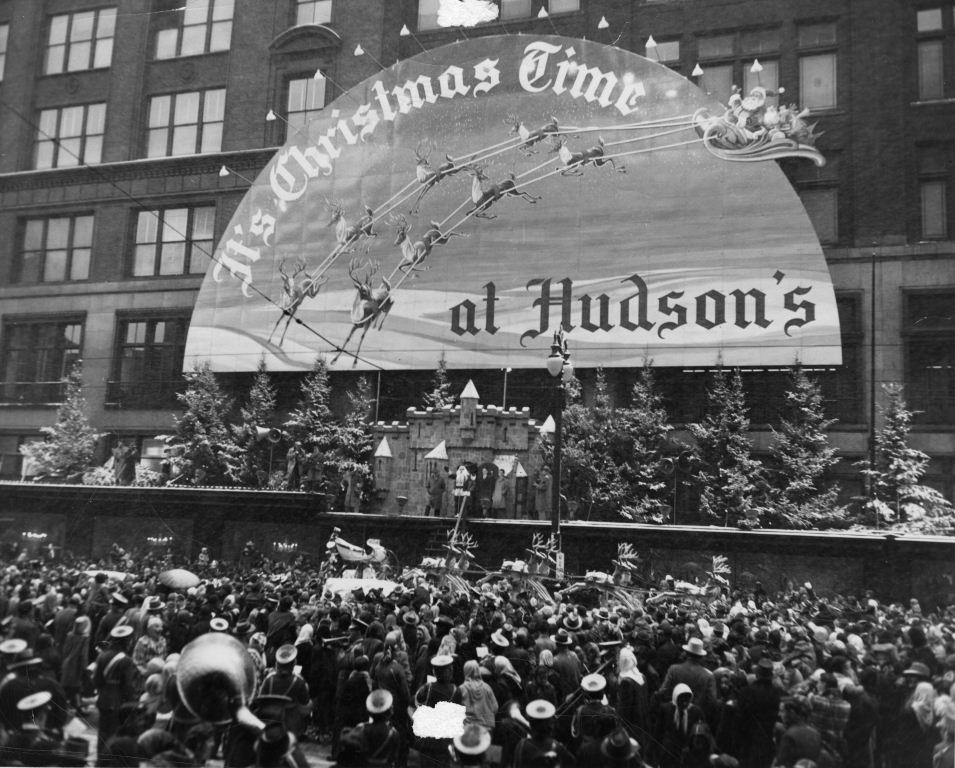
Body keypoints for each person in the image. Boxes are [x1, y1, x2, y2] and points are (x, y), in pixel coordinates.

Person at [512, 699, 576, 767]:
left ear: (531, 724)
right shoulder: (557, 747)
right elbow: (573, 763)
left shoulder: (521, 745)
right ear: (550, 726)